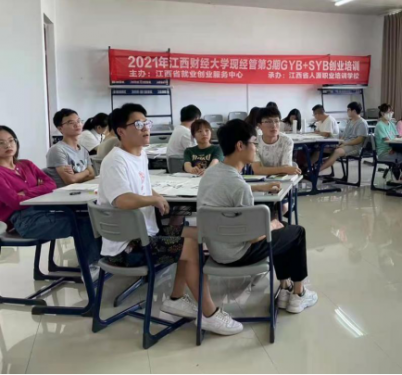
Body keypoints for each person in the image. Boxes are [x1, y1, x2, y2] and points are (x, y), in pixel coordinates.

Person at [97, 103, 242, 335]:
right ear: (121, 131)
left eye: (146, 122)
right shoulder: (115, 160)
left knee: (198, 234)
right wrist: (152, 200)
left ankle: (175, 299)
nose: (146, 128)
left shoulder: (139, 155)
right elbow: (121, 200)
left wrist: (156, 195)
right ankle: (209, 314)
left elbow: (141, 187)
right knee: (190, 247)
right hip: (128, 246)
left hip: (145, 234)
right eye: (138, 124)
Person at [198, 119, 318, 314]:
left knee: (282, 228)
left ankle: (285, 288)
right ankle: (299, 294)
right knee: (296, 232)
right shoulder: (239, 187)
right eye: (254, 143)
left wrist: (259, 187)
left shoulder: (211, 173)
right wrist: (272, 226)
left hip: (217, 250)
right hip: (238, 254)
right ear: (240, 146)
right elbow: (253, 236)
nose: (256, 147)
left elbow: (230, 190)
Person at [0, 126, 100, 267]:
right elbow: (16, 202)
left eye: (11, 140)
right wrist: (38, 189)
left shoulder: (26, 164)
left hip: (45, 211)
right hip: (23, 221)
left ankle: (102, 261)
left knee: (93, 217)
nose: (8, 145)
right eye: (1, 142)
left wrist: (26, 192)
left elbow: (51, 184)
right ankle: (91, 267)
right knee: (84, 224)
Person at [45, 109, 95, 187]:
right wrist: (86, 172)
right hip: (63, 193)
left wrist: (77, 175)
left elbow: (92, 175)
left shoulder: (83, 150)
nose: (77, 125)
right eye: (71, 122)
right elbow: (70, 180)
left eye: (78, 121)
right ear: (60, 128)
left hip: (81, 189)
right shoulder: (57, 150)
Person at [319, 102, 369, 173]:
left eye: (348, 110)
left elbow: (359, 140)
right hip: (345, 144)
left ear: (354, 111)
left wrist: (345, 143)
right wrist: (339, 143)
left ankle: (318, 170)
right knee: (322, 149)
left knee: (337, 152)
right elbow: (343, 136)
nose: (347, 111)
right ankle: (308, 167)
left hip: (355, 147)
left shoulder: (362, 123)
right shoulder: (350, 122)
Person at [252, 107, 301, 176]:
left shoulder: (286, 141)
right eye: (268, 121)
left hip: (282, 179)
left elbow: (286, 170)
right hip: (261, 180)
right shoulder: (254, 143)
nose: (274, 125)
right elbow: (257, 170)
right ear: (259, 126)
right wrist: (283, 169)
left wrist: (264, 170)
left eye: (277, 121)